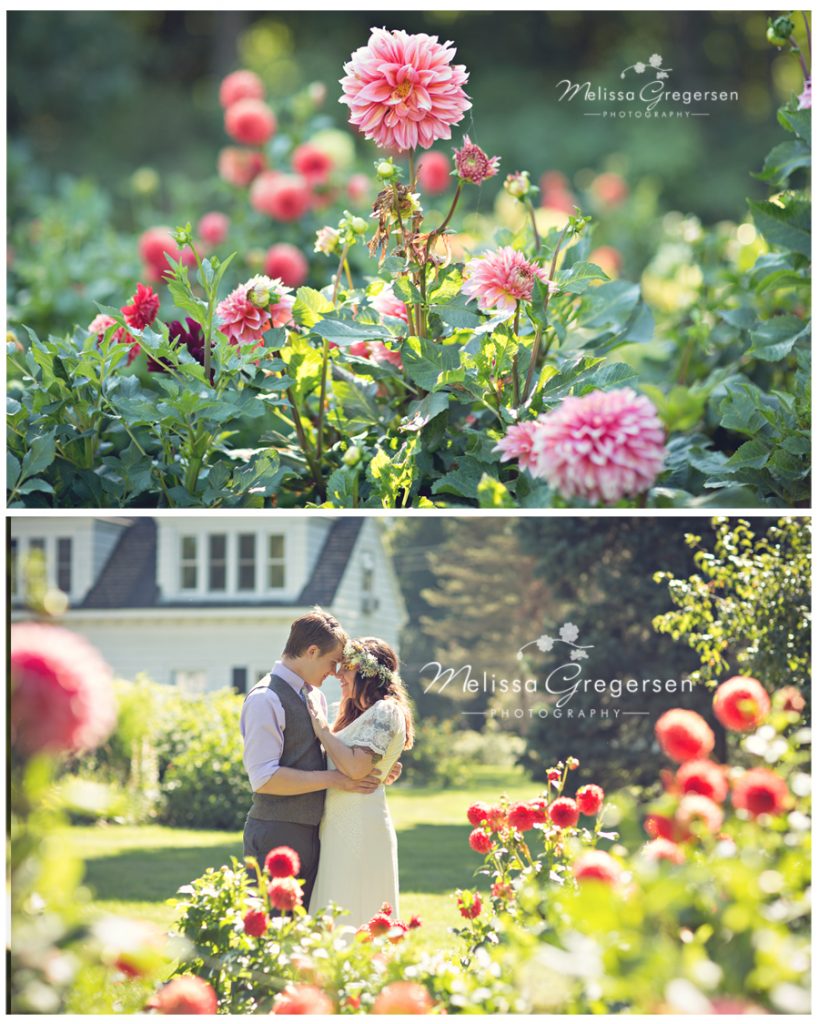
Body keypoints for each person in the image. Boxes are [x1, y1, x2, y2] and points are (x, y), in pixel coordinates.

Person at [240, 609, 398, 908]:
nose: (336, 672)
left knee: (305, 932)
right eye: (332, 662)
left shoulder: (314, 696)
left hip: (317, 832)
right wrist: (338, 779)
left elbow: (312, 754)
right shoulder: (265, 699)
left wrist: (376, 765)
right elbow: (264, 778)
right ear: (312, 651)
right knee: (272, 930)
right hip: (278, 830)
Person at [306, 636, 414, 927]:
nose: (339, 675)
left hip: (361, 826)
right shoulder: (360, 715)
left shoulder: (386, 710)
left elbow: (355, 768)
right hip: (338, 824)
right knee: (336, 908)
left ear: (368, 672)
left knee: (356, 908)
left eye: (348, 667)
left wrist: (322, 730)